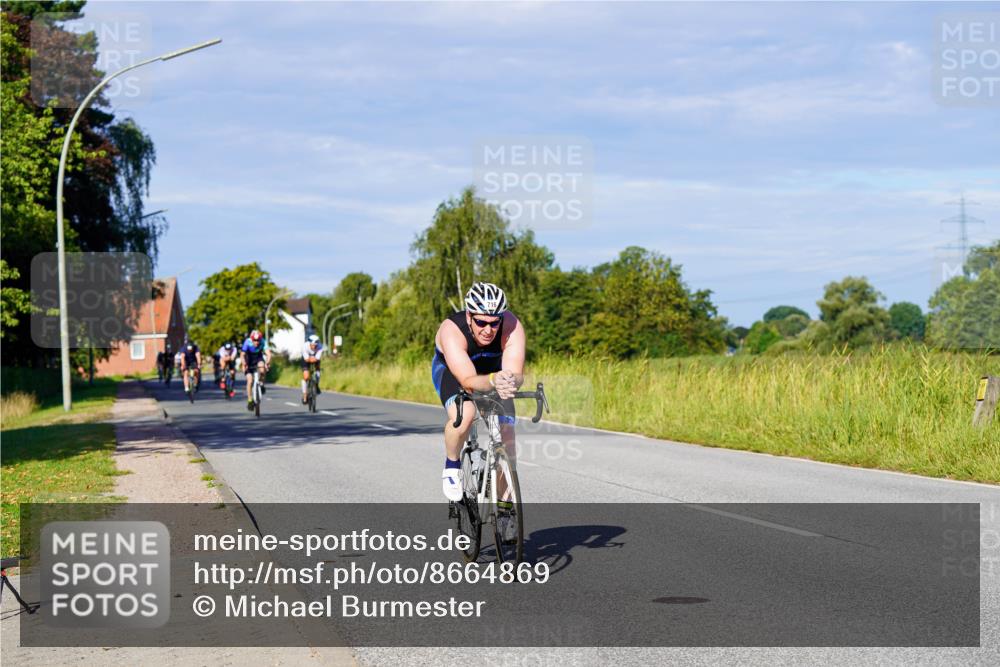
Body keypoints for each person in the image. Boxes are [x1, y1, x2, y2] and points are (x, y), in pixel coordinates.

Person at [431, 282, 525, 522]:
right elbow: (468, 381)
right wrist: (494, 380)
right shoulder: (452, 330)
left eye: (495, 323)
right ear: (470, 316)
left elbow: (516, 372)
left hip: (493, 372)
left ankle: (504, 505)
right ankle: (452, 466)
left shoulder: (512, 326)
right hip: (455, 372)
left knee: (507, 434)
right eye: (482, 322)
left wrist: (509, 381)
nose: (488, 329)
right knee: (466, 414)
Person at [241, 329, 271, 412]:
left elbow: (268, 354)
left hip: (258, 358)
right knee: (250, 381)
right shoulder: (247, 342)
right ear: (251, 339)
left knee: (262, 369)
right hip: (249, 360)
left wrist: (267, 363)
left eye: (258, 340)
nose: (256, 342)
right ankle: (250, 400)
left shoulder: (263, 341)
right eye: (254, 340)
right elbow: (242, 355)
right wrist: (244, 364)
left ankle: (261, 383)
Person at [300, 334, 325, 404]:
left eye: (315, 345)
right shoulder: (304, 346)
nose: (314, 347)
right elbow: (307, 359)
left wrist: (313, 359)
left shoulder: (320, 347)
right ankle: (305, 396)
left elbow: (317, 358)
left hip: (314, 359)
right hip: (305, 360)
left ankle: (316, 385)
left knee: (317, 370)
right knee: (306, 377)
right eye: (312, 345)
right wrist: (311, 359)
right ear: (309, 343)